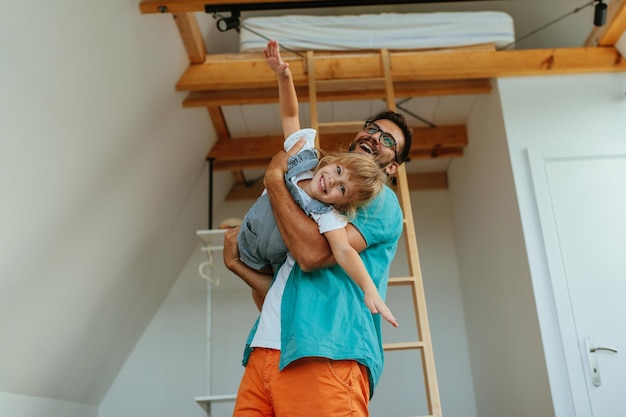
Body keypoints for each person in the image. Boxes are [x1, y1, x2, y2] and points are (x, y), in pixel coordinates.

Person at [223, 40, 413, 417]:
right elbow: (288, 285)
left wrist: (275, 179)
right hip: (266, 349)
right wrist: (238, 266)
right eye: (372, 129)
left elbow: (314, 255)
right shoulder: (315, 178)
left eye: (388, 140)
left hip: (326, 352)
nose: (375, 137)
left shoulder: (378, 202)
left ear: (392, 167)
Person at [237, 45, 397, 326]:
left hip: (263, 259)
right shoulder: (304, 161)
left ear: (341, 203)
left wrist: (370, 289)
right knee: (258, 288)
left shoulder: (326, 214)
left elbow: (344, 251)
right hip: (247, 236)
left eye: (342, 189)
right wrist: (283, 76)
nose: (333, 181)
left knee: (266, 289)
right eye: (337, 171)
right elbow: (289, 115)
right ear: (330, 160)